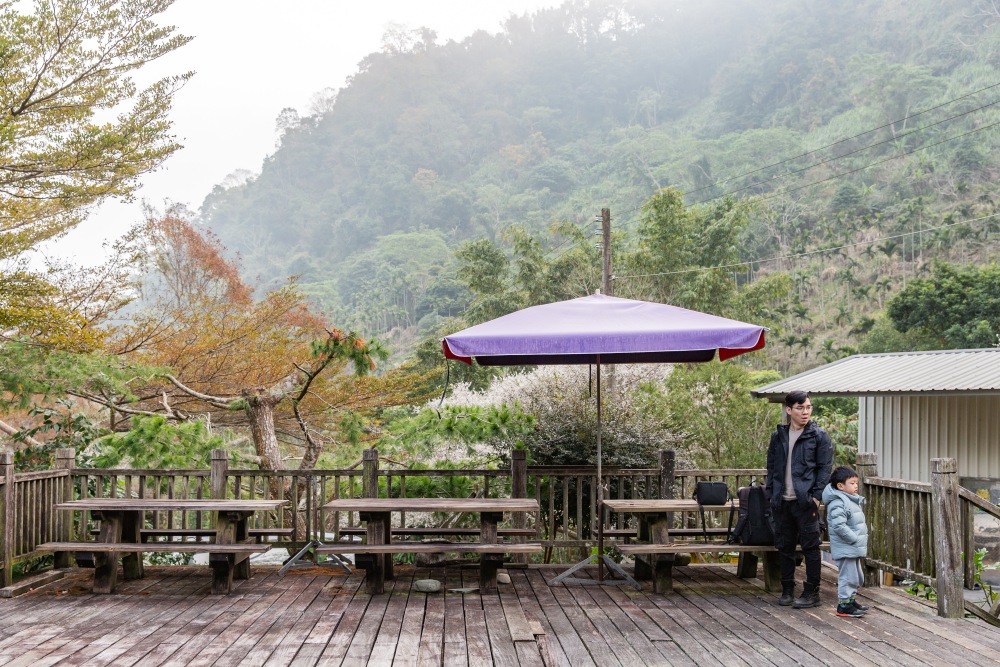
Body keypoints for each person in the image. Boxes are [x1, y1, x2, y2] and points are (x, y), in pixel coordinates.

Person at [766, 390, 833, 609]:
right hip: (782, 501)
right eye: (800, 408)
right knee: (784, 547)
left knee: (810, 547)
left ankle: (812, 593)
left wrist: (816, 498)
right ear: (789, 410)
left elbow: (825, 469)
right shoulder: (778, 436)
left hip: (806, 502)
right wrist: (771, 494)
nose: (805, 412)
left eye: (808, 407)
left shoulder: (819, 436)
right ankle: (787, 589)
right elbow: (771, 468)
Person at [823, 465, 871, 618]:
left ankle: (850, 600)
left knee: (855, 576)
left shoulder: (849, 499)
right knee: (848, 577)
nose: (856, 486)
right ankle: (843, 606)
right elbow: (839, 526)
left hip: (852, 547)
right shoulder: (839, 502)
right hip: (847, 546)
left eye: (856, 483)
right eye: (852, 483)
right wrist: (854, 538)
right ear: (840, 486)